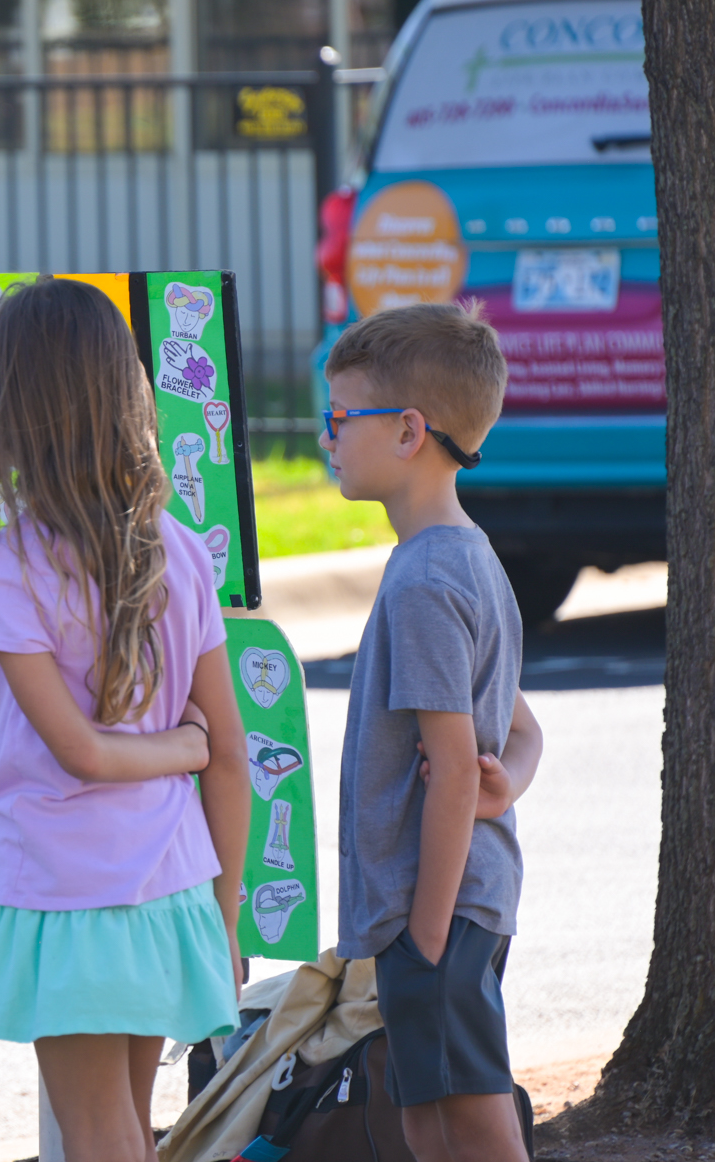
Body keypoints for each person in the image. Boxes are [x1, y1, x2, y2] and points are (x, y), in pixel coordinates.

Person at [0, 277, 250, 1162]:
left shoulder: (5, 571)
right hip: (174, 886)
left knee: (99, 1134)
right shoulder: (181, 548)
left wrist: (183, 748)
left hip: (67, 892)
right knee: (125, 1124)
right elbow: (226, 754)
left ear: (17, 407)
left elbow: (75, 753)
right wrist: (224, 913)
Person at [321, 302, 545, 1162]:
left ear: (409, 429)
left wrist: (422, 930)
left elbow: (453, 773)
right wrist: (511, 780)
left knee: (475, 1118)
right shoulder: (468, 554)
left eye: (340, 418)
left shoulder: (425, 578)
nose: (327, 438)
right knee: (423, 1118)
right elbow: (519, 730)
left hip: (439, 907)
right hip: (446, 905)